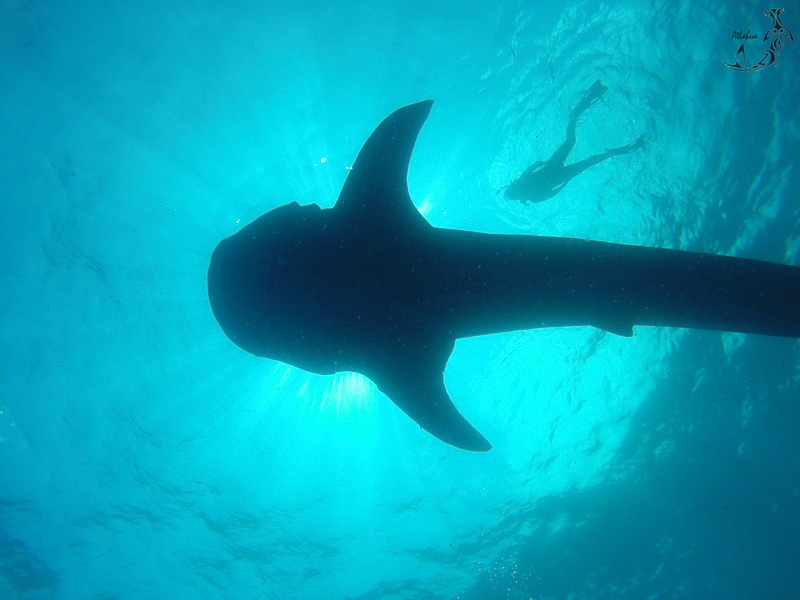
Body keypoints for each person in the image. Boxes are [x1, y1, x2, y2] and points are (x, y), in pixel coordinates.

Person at [505, 79, 644, 203]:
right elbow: (537, 169)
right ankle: (575, 116)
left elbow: (552, 191)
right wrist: (550, 166)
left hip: (558, 173)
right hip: (554, 168)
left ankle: (579, 119)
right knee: (572, 141)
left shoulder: (531, 196)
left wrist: (565, 180)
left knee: (585, 157)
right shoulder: (528, 188)